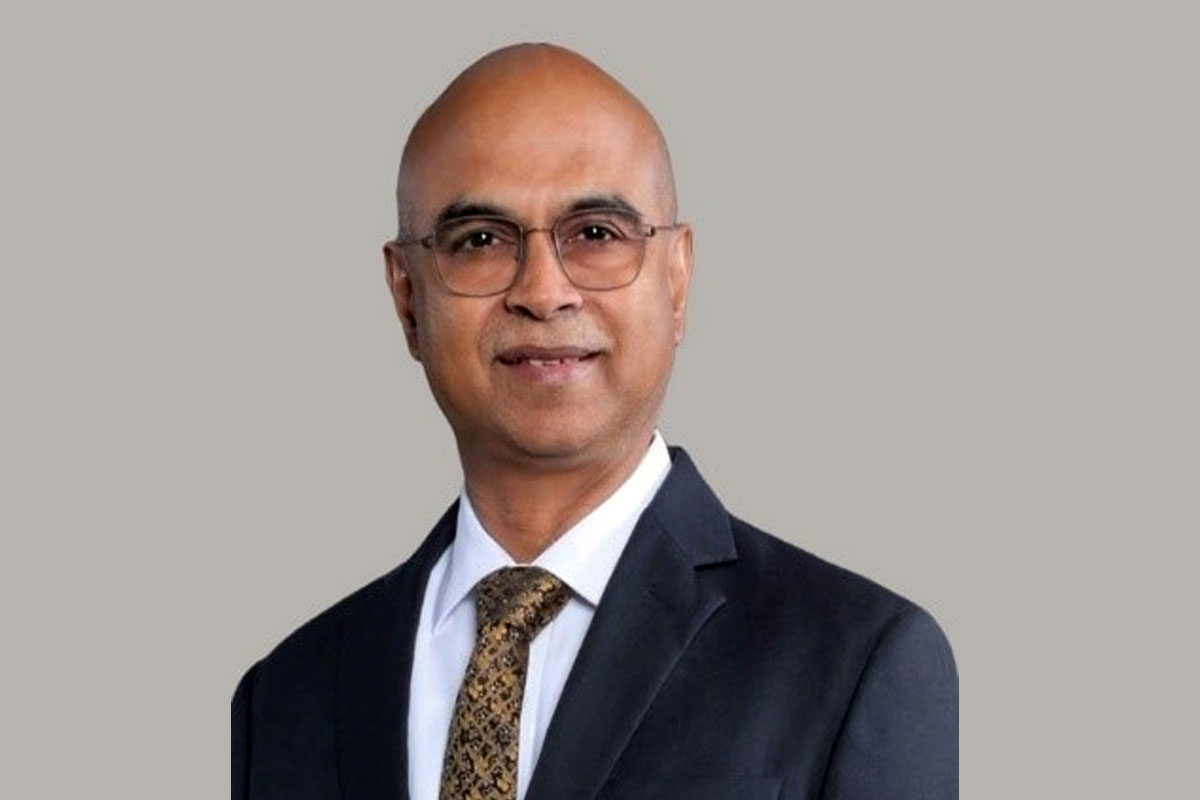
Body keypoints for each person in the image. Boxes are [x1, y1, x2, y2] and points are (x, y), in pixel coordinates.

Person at [231, 43, 957, 800]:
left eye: (597, 234)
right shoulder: (280, 697)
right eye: (480, 240)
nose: (543, 292)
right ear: (407, 297)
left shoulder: (855, 660)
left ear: (677, 279)